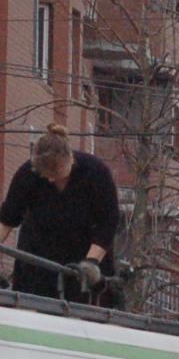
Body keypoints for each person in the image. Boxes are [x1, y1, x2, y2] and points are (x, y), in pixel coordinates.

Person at [0, 125, 119, 303]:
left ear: (70, 158)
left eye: (56, 173)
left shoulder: (96, 173)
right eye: (44, 174)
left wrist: (92, 261)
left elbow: (108, 223)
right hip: (37, 260)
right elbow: (7, 218)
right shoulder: (27, 174)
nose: (50, 179)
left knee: (85, 311)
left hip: (84, 258)